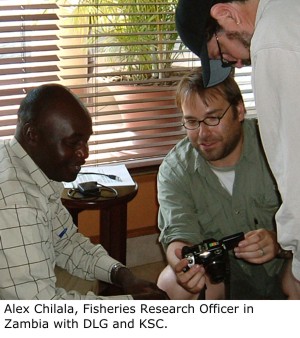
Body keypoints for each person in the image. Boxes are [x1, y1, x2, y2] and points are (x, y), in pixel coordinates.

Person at [175, 0, 300, 297]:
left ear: (226, 14)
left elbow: (295, 169)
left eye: (221, 53)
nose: (238, 63)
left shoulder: (271, 44)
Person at [0, 83, 168, 300]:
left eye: (86, 141)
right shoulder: (17, 204)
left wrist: (122, 275)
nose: (84, 153)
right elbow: (39, 313)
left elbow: (66, 241)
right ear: (32, 134)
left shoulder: (20, 160)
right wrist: (131, 305)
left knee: (85, 278)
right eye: (73, 142)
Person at [157, 69, 291, 300]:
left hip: (284, 263)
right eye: (191, 122)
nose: (203, 134)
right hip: (220, 272)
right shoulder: (175, 169)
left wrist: (279, 242)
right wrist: (183, 264)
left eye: (213, 118)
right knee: (171, 283)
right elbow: (178, 234)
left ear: (239, 110)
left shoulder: (277, 144)